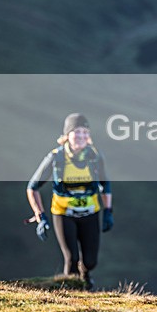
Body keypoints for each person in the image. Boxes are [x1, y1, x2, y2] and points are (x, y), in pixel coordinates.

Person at [27, 113, 113, 290]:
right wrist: (40, 215)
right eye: (76, 132)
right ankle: (70, 293)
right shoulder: (56, 158)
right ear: (67, 135)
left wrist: (108, 212)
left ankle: (85, 276)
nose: (81, 136)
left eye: (84, 132)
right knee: (71, 257)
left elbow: (105, 185)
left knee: (90, 261)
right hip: (63, 214)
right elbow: (32, 187)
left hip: (91, 213)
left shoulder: (95, 156)